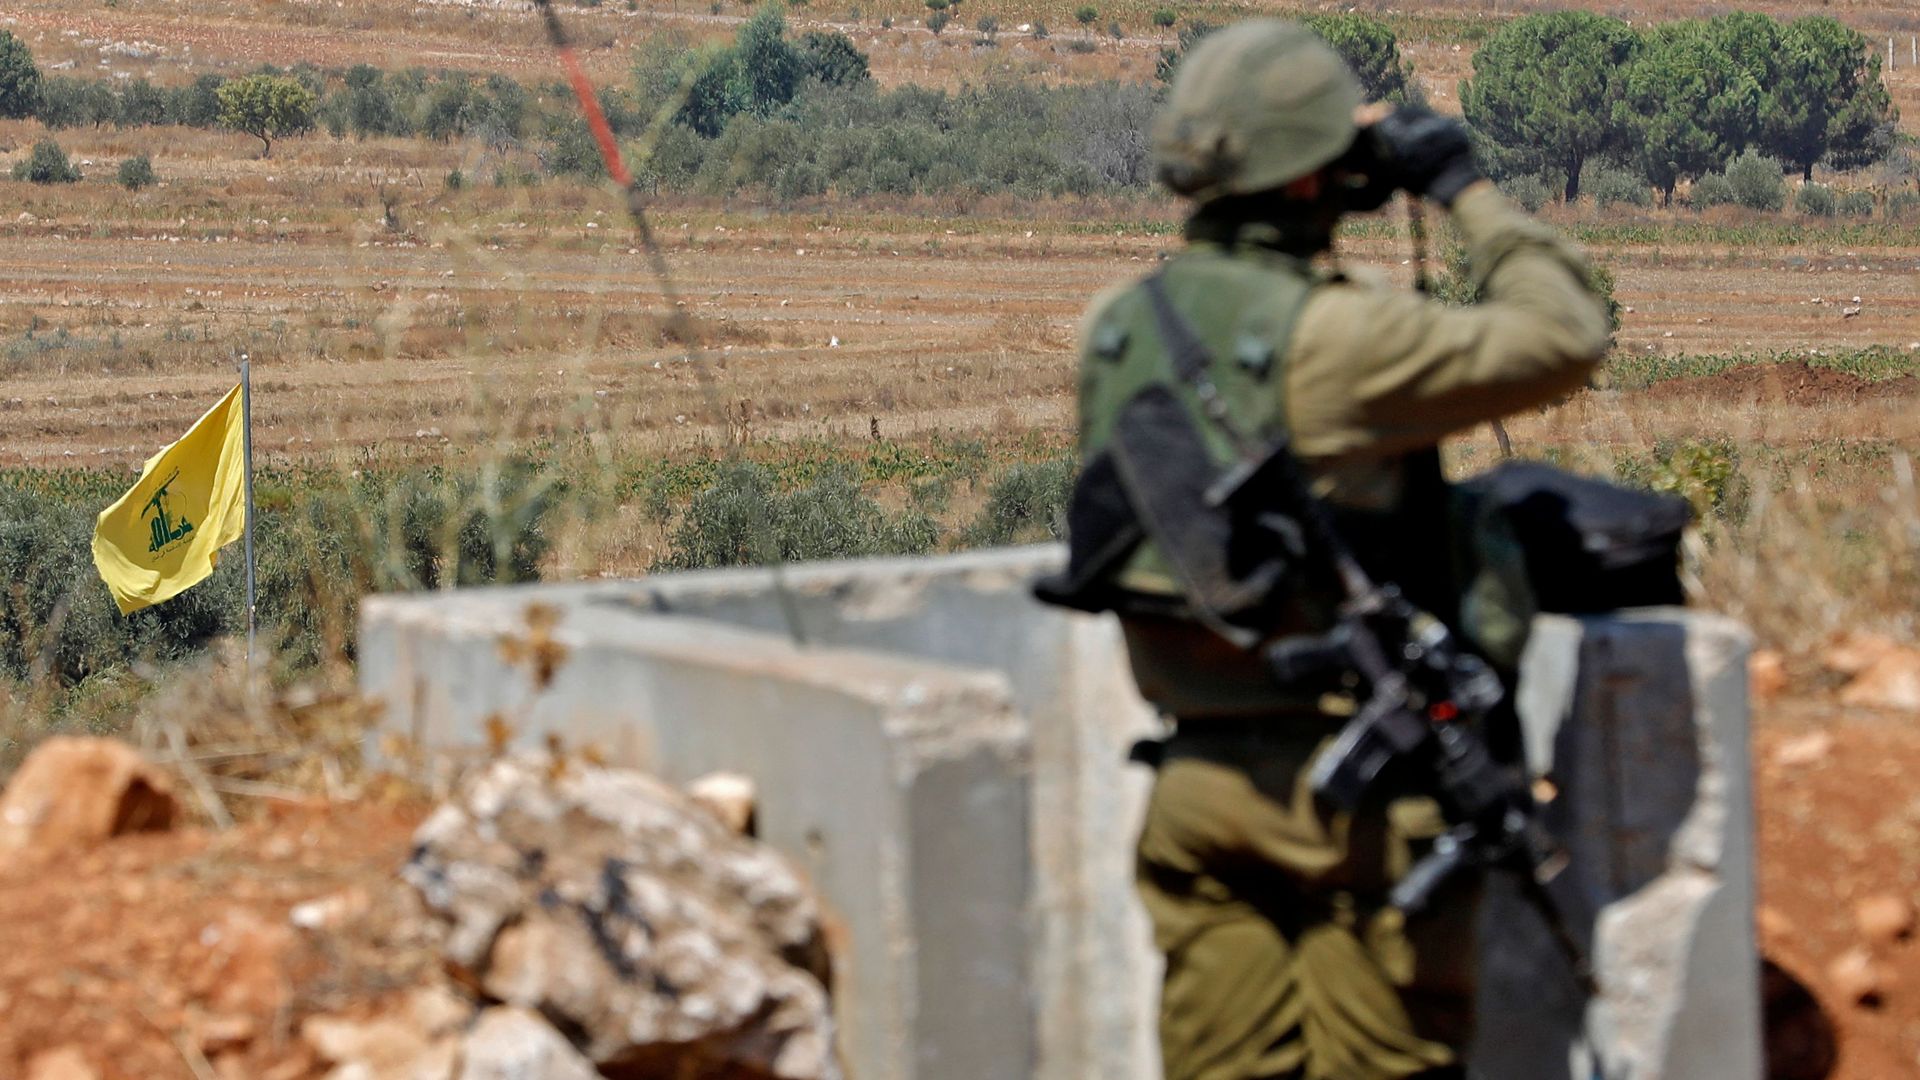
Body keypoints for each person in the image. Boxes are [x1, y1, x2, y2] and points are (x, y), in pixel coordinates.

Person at [1065, 19, 1611, 1080]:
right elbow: (1565, 331)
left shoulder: (1119, 325)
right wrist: (1457, 184)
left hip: (1196, 789)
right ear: (1317, 181)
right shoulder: (1340, 339)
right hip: (1353, 809)